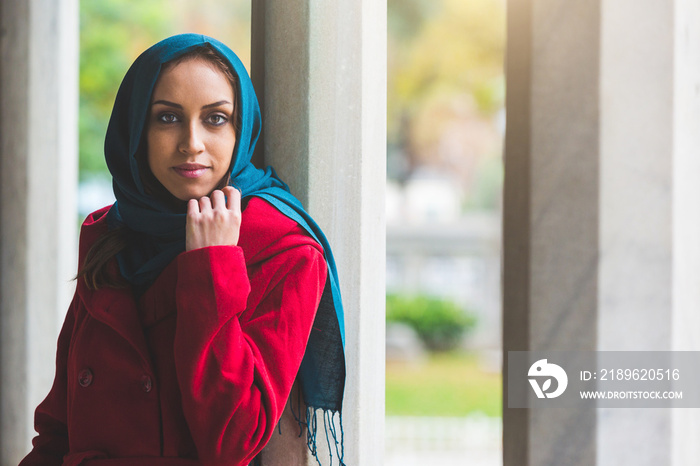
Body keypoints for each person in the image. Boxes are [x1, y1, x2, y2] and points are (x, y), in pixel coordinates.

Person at [19, 34, 346, 466]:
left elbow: (234, 439)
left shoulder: (282, 248)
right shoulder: (112, 235)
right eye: (168, 118)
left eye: (215, 119)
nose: (191, 142)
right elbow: (59, 426)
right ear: (137, 129)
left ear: (241, 128)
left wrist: (212, 266)